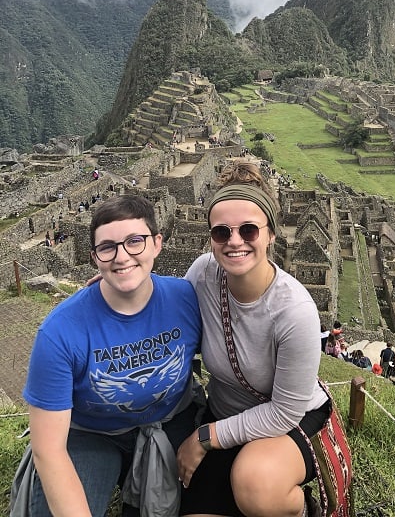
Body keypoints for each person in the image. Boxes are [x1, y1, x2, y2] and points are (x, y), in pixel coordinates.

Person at [14, 194, 202, 517]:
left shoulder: (186, 299)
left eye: (135, 241)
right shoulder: (60, 332)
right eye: (108, 247)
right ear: (95, 258)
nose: (122, 256)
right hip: (92, 434)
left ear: (157, 244)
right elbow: (49, 451)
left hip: (172, 422)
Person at [177, 159, 331, 517]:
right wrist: (112, 296)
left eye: (249, 230)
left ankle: (304, 511)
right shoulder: (202, 275)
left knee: (255, 485)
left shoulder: (294, 311)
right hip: (225, 414)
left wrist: (204, 438)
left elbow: (283, 412)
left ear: (270, 234)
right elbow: (166, 314)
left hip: (288, 421)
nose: (234, 242)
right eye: (222, 233)